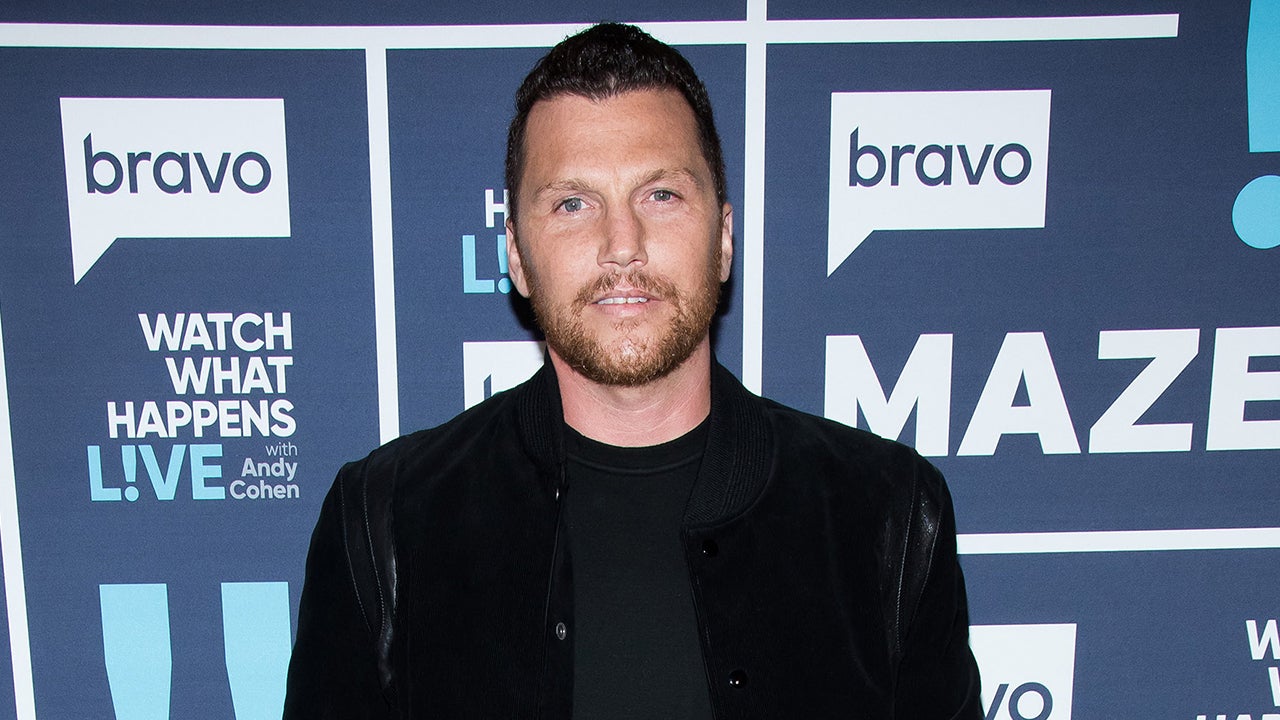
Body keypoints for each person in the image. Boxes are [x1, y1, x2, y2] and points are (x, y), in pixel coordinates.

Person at [284, 22, 981, 719]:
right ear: (517, 258)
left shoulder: (886, 513)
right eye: (573, 204)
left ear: (724, 238)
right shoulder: (387, 520)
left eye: (660, 195)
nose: (623, 245)